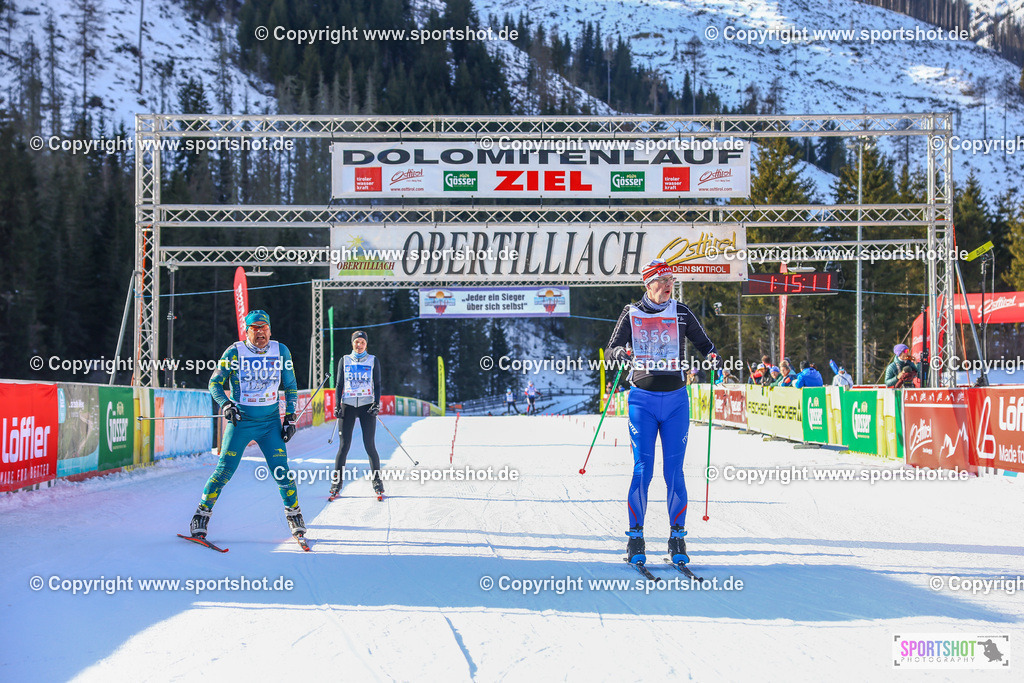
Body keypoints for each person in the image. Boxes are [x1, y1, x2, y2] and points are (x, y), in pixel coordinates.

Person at [606, 258, 718, 566]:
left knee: (674, 473)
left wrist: (712, 356)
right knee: (643, 470)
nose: (669, 284)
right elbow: (611, 349)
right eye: (662, 280)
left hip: (676, 402)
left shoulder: (681, 312)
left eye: (671, 279)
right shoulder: (631, 313)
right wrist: (620, 353)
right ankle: (635, 538)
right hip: (642, 400)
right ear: (648, 284)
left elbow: (705, 344)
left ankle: (677, 538)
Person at [189, 310, 304, 540]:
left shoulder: (281, 351)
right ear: (247, 331)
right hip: (241, 421)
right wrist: (226, 405)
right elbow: (214, 383)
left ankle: (294, 514)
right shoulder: (234, 352)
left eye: (264, 328)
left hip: (270, 424)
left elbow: (291, 386)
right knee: (224, 471)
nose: (260, 332)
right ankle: (201, 515)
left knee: (282, 472)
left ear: (270, 329)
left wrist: (290, 417)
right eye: (255, 328)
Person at [330, 330, 384, 499]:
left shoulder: (373, 360)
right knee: (344, 446)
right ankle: (336, 483)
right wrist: (337, 405)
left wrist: (376, 403)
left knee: (369, 445)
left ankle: (377, 482)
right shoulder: (344, 360)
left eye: (362, 342)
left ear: (366, 344)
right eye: (356, 342)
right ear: (352, 343)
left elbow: (377, 384)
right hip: (348, 405)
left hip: (367, 406)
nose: (359, 345)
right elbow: (339, 384)